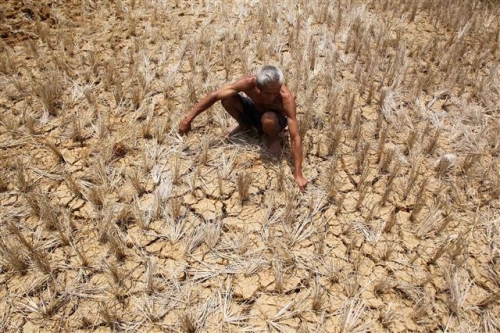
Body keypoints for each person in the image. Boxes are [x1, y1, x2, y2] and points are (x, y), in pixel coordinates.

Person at [178, 65, 308, 192]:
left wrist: (298, 174)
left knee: (269, 119)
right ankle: (245, 125)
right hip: (255, 110)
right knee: (227, 99)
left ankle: (272, 138)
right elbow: (215, 95)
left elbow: (295, 137)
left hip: (274, 119)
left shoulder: (286, 98)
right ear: (258, 87)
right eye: (268, 93)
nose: (273, 97)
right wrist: (188, 119)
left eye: (276, 92)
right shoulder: (248, 83)